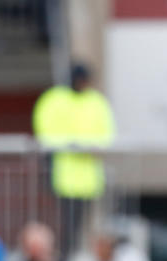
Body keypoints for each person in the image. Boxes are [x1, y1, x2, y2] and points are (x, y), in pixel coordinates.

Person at [32, 63, 115, 251]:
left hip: (88, 177)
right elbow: (44, 129)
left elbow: (106, 133)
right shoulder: (54, 99)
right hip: (62, 174)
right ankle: (64, 254)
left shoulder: (96, 101)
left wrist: (89, 146)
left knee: (80, 224)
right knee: (65, 223)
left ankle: (75, 252)